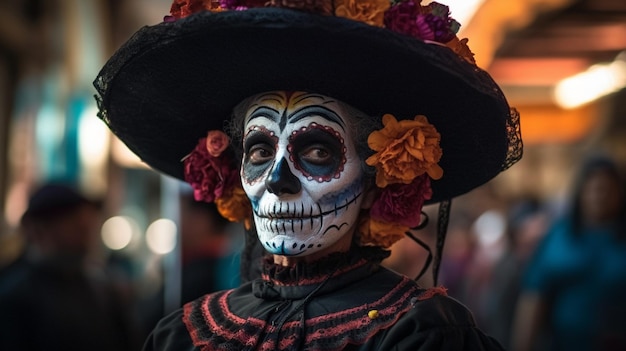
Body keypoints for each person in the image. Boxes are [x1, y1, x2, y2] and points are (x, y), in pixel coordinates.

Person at [94, 0, 523, 349]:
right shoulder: (184, 335)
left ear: (378, 181)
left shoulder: (420, 333)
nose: (278, 179)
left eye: (317, 150)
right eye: (260, 150)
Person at [0, 183, 140, 351]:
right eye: (74, 222)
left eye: (87, 222)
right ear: (40, 229)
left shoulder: (99, 287)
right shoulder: (14, 293)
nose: (86, 230)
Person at [511, 155, 626, 351]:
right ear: (580, 192)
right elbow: (534, 298)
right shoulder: (559, 236)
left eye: (607, 189)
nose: (600, 196)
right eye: (594, 188)